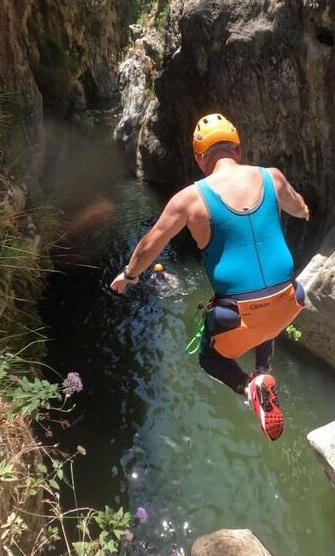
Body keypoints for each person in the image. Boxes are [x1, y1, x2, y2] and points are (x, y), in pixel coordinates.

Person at [110, 113, 309, 440]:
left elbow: (150, 244)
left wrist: (129, 274)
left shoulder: (189, 199)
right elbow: (297, 205)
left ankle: (248, 386)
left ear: (200, 159)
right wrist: (305, 211)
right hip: (290, 301)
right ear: (238, 152)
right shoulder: (272, 178)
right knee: (265, 305)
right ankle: (263, 372)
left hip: (238, 316)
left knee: (208, 356)